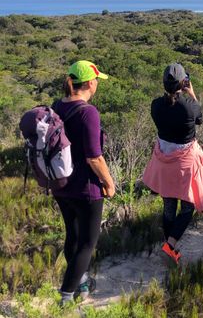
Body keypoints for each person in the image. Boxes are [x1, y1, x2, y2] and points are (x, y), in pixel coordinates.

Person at [52, 60, 115, 306]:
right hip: (85, 188)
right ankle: (67, 296)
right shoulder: (88, 112)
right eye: (97, 80)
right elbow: (94, 156)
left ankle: (81, 282)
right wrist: (109, 183)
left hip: (60, 184)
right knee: (88, 243)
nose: (98, 84)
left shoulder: (58, 106)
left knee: (73, 237)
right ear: (90, 82)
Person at [143, 63, 203, 264]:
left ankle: (167, 243)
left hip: (164, 160)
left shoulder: (156, 105)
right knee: (187, 206)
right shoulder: (190, 106)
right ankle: (170, 245)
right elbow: (199, 119)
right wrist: (192, 93)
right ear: (184, 82)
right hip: (185, 162)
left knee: (169, 205)